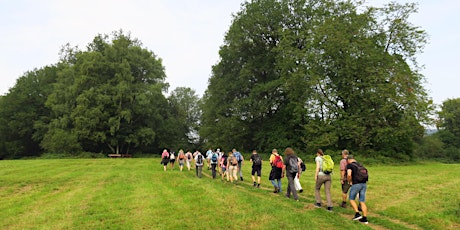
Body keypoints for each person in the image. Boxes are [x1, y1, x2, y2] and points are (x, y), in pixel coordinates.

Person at [347, 155, 369, 224]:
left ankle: (357, 214)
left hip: (356, 184)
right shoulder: (360, 165)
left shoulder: (350, 165)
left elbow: (349, 174)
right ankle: (365, 218)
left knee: (351, 199)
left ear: (348, 160)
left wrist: (349, 181)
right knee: (362, 201)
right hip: (364, 184)